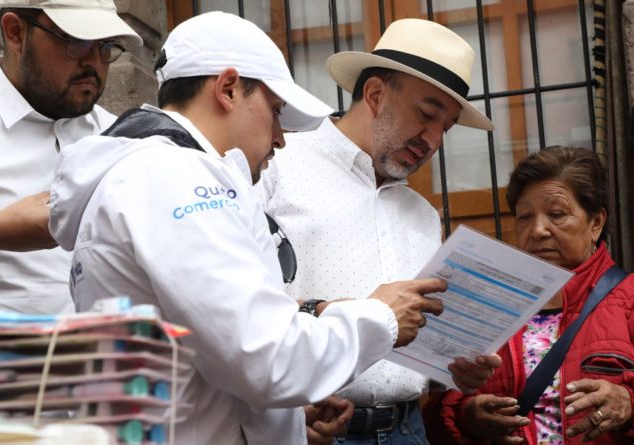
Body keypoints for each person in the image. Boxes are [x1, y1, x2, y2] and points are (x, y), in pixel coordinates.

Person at [48, 11, 448, 445]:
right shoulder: (179, 179)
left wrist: (287, 420)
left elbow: (213, 357)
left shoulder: (154, 173)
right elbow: (266, 356)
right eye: (275, 112)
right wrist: (380, 315)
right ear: (229, 89)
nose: (280, 137)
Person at [260, 18, 499, 444]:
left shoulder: (424, 216)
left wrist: (454, 365)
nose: (433, 141)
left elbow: (421, 334)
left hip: (408, 428)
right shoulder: (276, 166)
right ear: (374, 94)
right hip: (309, 428)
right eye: (426, 115)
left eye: (445, 127)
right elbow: (243, 308)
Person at [423, 146, 634, 445]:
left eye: (557, 214)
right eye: (524, 217)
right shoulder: (486, 306)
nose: (537, 230)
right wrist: (465, 418)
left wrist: (632, 404)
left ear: (595, 222)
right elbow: (431, 420)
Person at [0, 0, 142, 314]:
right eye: (76, 42)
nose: (93, 62)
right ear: (15, 33)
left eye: (106, 47)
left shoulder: (119, 137)